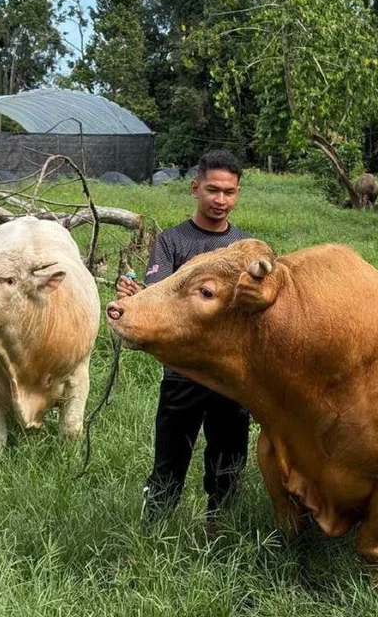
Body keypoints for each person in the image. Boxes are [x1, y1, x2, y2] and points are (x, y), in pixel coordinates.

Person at [116, 150, 252, 524]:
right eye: (213, 190)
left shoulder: (245, 248)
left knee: (228, 464)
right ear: (195, 188)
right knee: (169, 462)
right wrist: (137, 300)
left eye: (230, 192)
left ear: (237, 194)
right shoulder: (173, 242)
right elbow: (160, 302)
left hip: (230, 378)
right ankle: (152, 533)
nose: (221, 200)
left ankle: (220, 530)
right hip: (183, 375)